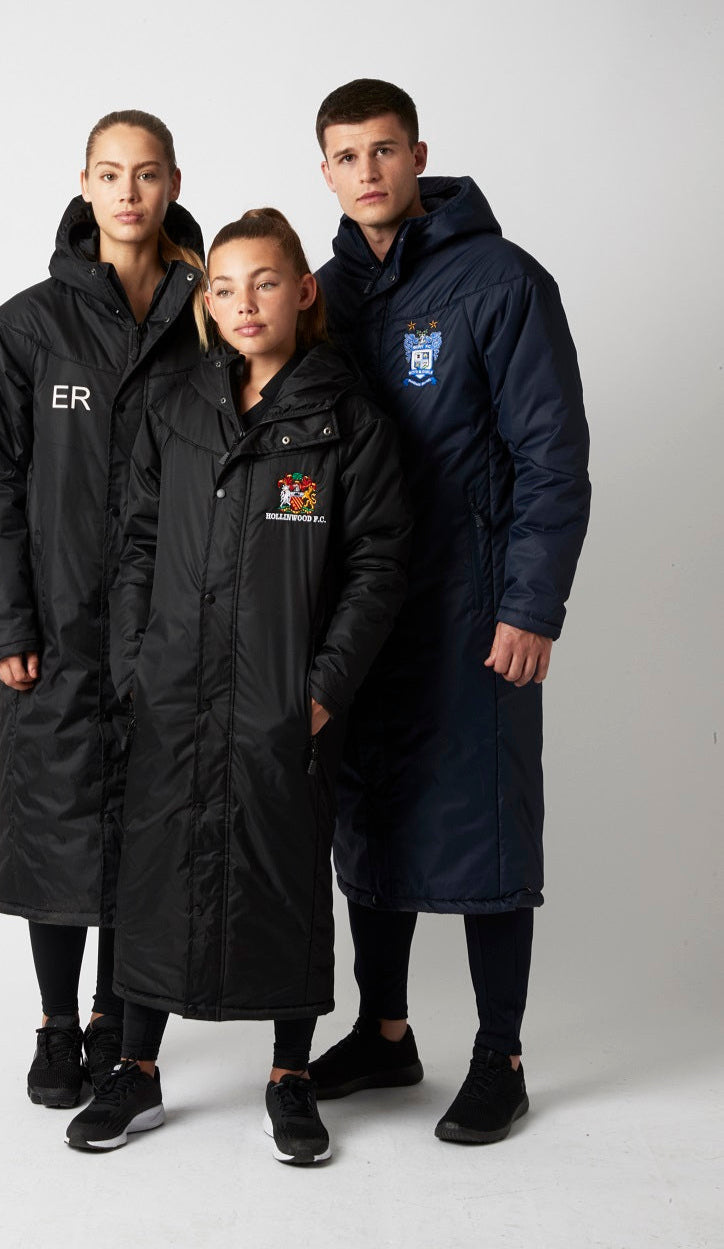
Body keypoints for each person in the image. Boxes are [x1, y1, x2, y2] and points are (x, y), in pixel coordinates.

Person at [63, 208, 411, 1163]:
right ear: (207, 302)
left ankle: (290, 1076)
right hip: (172, 691)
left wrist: (320, 689)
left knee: (284, 871)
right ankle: (135, 1070)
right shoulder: (178, 406)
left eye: (264, 282)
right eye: (224, 286)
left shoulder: (348, 421)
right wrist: (136, 662)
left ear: (304, 291)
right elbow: (137, 542)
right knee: (153, 869)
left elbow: (379, 566)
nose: (243, 302)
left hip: (280, 700)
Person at [307, 79, 591, 1144]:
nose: (368, 171)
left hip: (475, 611)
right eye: (347, 155)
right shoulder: (323, 293)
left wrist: (532, 604)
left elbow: (551, 455)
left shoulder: (501, 280)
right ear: (325, 171)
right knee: (368, 823)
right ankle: (385, 1034)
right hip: (362, 614)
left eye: (384, 149)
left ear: (418, 156)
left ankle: (498, 1055)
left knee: (485, 831)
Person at [0, 110, 207, 1110]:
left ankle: (118, 1019)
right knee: (57, 820)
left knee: (150, 828)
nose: (129, 193)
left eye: (146, 174)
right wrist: (8, 624)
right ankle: (58, 1026)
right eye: (111, 174)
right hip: (58, 627)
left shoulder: (206, 319)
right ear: (85, 184)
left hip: (170, 627)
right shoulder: (24, 328)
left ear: (173, 182)